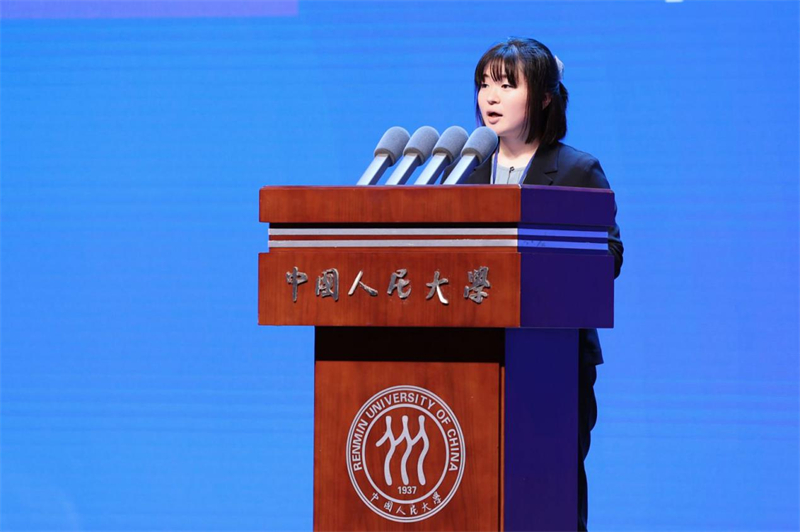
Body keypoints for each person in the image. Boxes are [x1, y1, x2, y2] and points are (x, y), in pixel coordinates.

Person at [450, 37, 624, 531]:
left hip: (554, 361)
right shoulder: (465, 171)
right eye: (485, 84)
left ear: (544, 96)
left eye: (507, 85)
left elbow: (608, 256)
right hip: (472, 359)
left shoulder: (575, 170)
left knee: (549, 494)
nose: (491, 96)